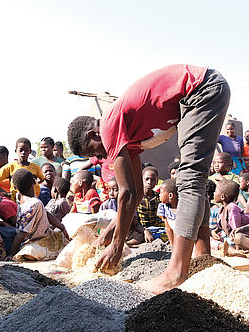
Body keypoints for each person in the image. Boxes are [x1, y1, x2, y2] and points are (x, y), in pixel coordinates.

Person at [67, 64, 230, 293]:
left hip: (201, 88)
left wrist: (117, 245)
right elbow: (137, 192)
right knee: (194, 180)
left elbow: (124, 194)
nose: (100, 157)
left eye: (94, 151)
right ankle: (202, 260)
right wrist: (108, 233)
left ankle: (176, 273)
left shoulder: (108, 126)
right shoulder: (127, 138)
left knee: (189, 179)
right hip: (205, 88)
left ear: (94, 135)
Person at [9, 169, 69, 259]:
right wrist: (11, 254)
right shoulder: (35, 203)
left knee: (31, 252)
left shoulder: (22, 198)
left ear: (15, 187)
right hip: (34, 239)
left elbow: (46, 213)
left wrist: (61, 227)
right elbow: (22, 233)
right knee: (30, 252)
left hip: (35, 240)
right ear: (34, 182)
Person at [211, 179, 249, 245]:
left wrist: (236, 246)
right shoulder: (222, 208)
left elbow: (236, 231)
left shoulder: (232, 209)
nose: (214, 193)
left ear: (222, 196)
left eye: (215, 191)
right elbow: (222, 225)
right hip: (230, 237)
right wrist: (215, 231)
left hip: (244, 238)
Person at [157, 178, 178, 246]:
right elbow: (168, 228)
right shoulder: (164, 207)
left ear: (170, 196)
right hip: (174, 237)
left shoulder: (182, 209)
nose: (159, 195)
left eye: (161, 192)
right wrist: (172, 244)